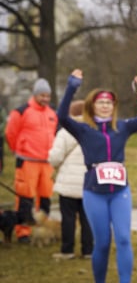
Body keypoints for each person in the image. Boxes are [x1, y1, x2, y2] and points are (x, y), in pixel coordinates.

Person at [57, 69, 137, 283]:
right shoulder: (84, 129)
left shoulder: (123, 127)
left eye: (109, 102)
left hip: (120, 193)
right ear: (92, 105)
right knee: (103, 242)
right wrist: (71, 86)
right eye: (101, 102)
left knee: (124, 238)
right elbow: (60, 117)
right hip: (94, 192)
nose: (106, 105)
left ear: (114, 106)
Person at [5, 78, 58, 243]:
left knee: (45, 197)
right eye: (42, 95)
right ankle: (23, 231)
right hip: (27, 161)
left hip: (47, 163)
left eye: (48, 96)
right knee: (25, 197)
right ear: (35, 94)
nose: (46, 99)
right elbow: (10, 134)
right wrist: (20, 150)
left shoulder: (52, 114)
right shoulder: (21, 112)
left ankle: (42, 229)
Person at [49, 100, 93, 260]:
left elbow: (55, 157)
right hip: (88, 183)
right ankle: (88, 250)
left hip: (67, 184)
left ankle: (67, 250)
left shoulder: (65, 132)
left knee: (68, 219)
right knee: (87, 219)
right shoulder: (93, 131)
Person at [0, 101, 7, 174]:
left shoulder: (1, 110)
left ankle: (1, 169)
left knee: (0, 153)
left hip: (0, 135)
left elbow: (4, 122)